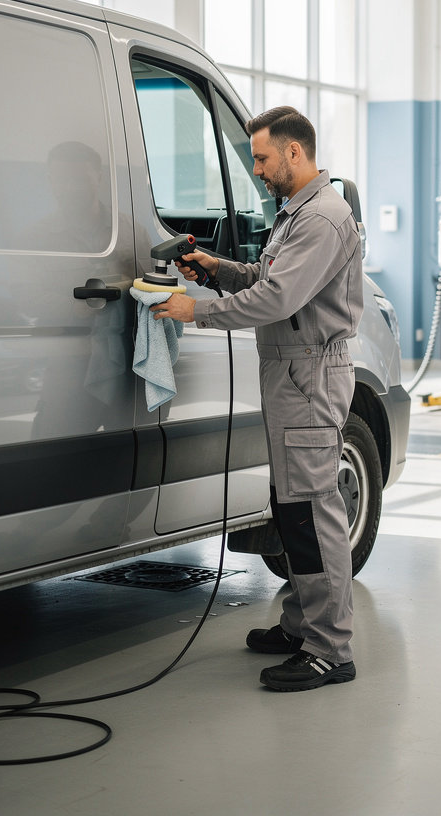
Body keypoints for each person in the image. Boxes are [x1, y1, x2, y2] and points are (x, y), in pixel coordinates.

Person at [152, 106, 363, 692]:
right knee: (292, 507)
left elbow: (276, 302)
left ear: (295, 152)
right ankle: (302, 625)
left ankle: (329, 650)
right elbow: (272, 284)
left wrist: (197, 310)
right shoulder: (297, 213)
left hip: (309, 376)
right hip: (291, 373)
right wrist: (216, 270)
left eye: (263, 158)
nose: (258, 169)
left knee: (313, 512)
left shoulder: (322, 218)